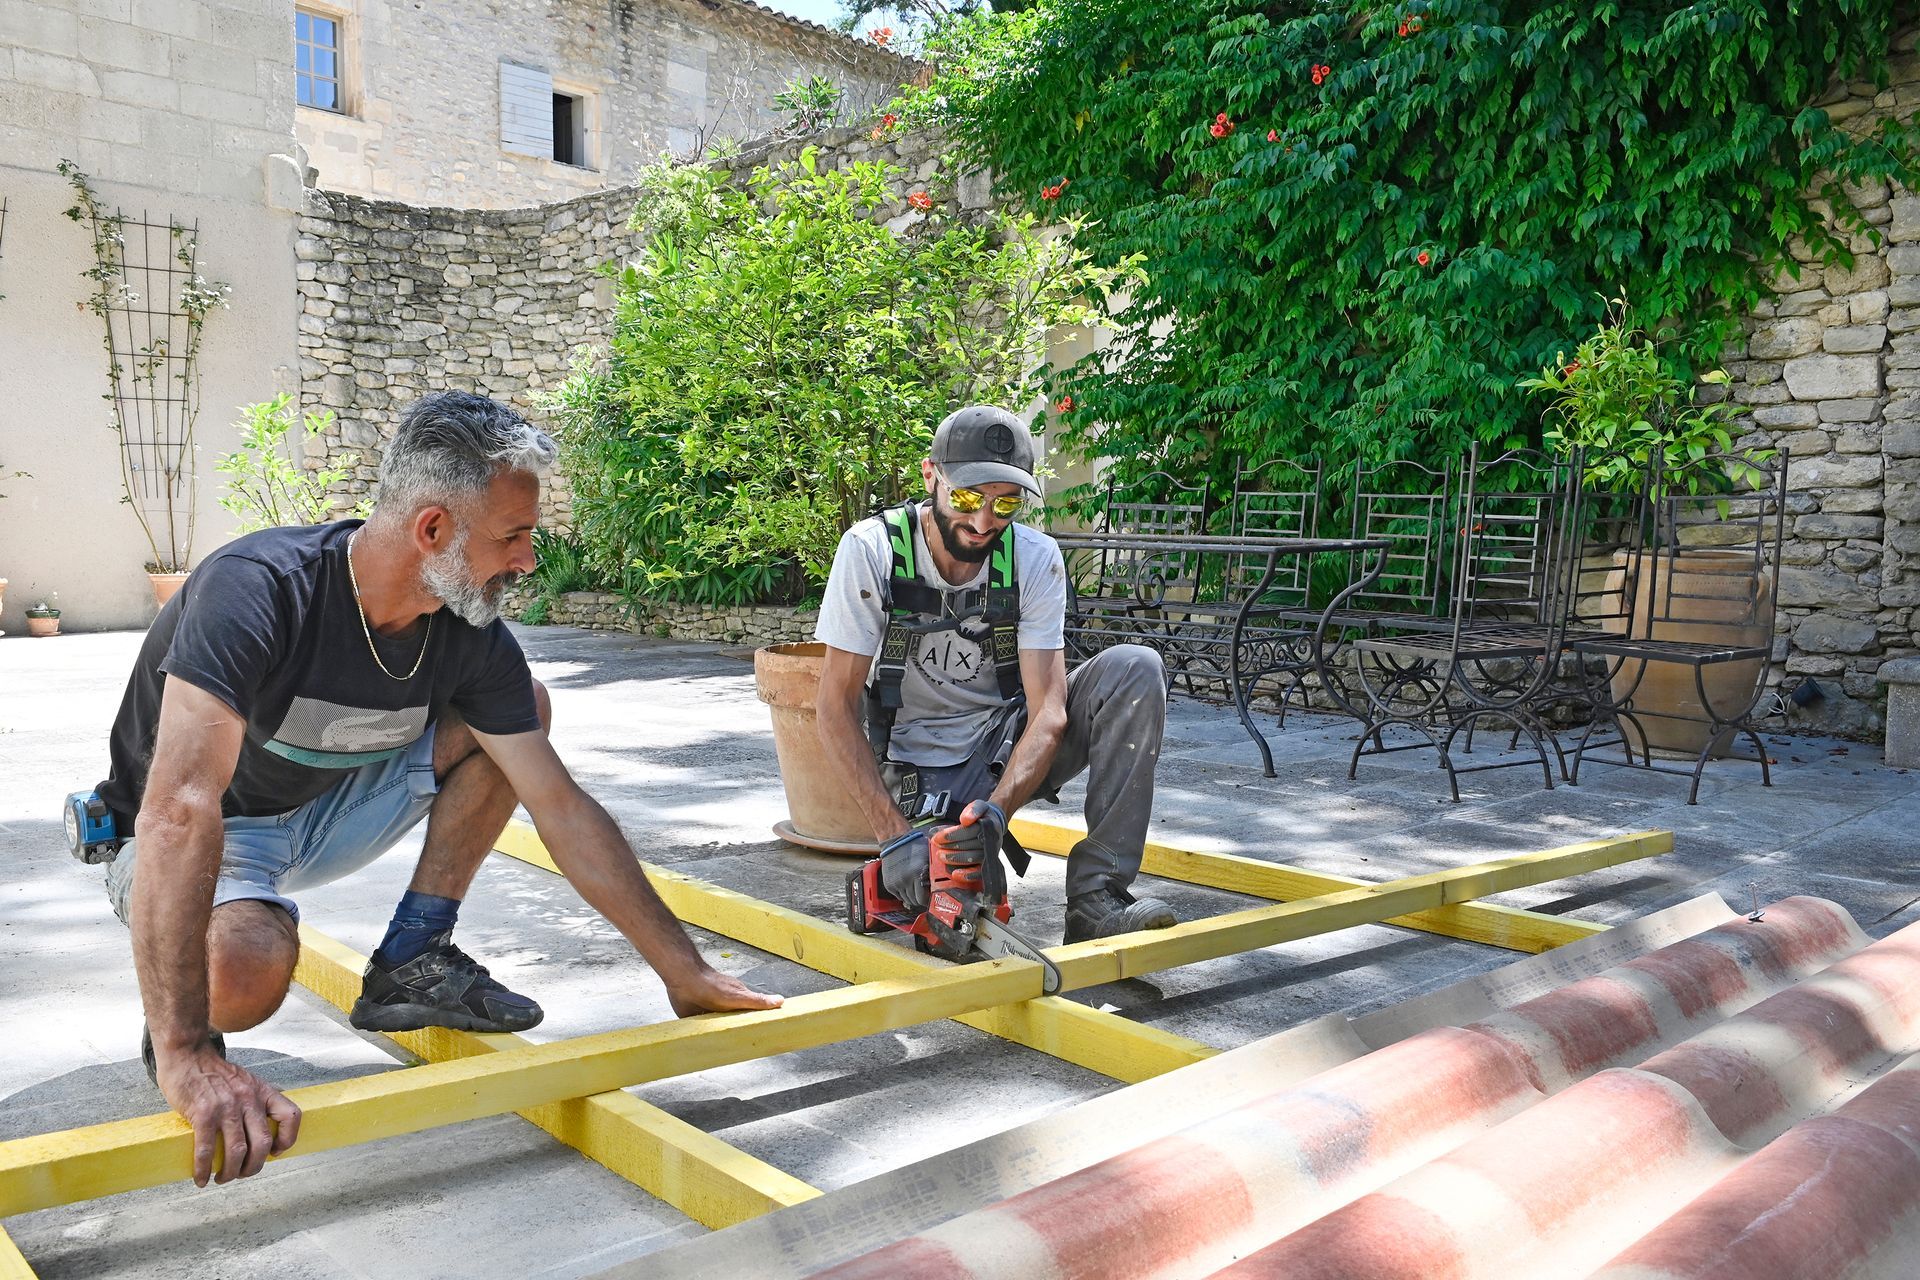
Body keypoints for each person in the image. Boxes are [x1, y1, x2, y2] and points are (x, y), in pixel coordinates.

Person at [91, 391, 780, 1188]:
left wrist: (685, 971)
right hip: (206, 827)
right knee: (244, 975)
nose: (528, 560)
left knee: (522, 715)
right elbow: (179, 808)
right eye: (512, 536)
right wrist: (185, 1051)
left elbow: (560, 806)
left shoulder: (469, 637)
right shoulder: (259, 587)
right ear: (432, 529)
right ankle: (179, 1020)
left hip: (331, 808)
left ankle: (414, 956)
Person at [814, 404, 1178, 945]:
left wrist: (997, 813)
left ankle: (1096, 898)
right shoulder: (873, 551)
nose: (984, 522)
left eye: (1005, 504)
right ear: (931, 476)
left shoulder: (1033, 557)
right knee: (954, 917)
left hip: (1008, 743)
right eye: (967, 499)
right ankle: (927, 842)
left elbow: (1049, 710)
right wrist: (894, 837)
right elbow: (833, 708)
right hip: (918, 760)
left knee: (1135, 670)